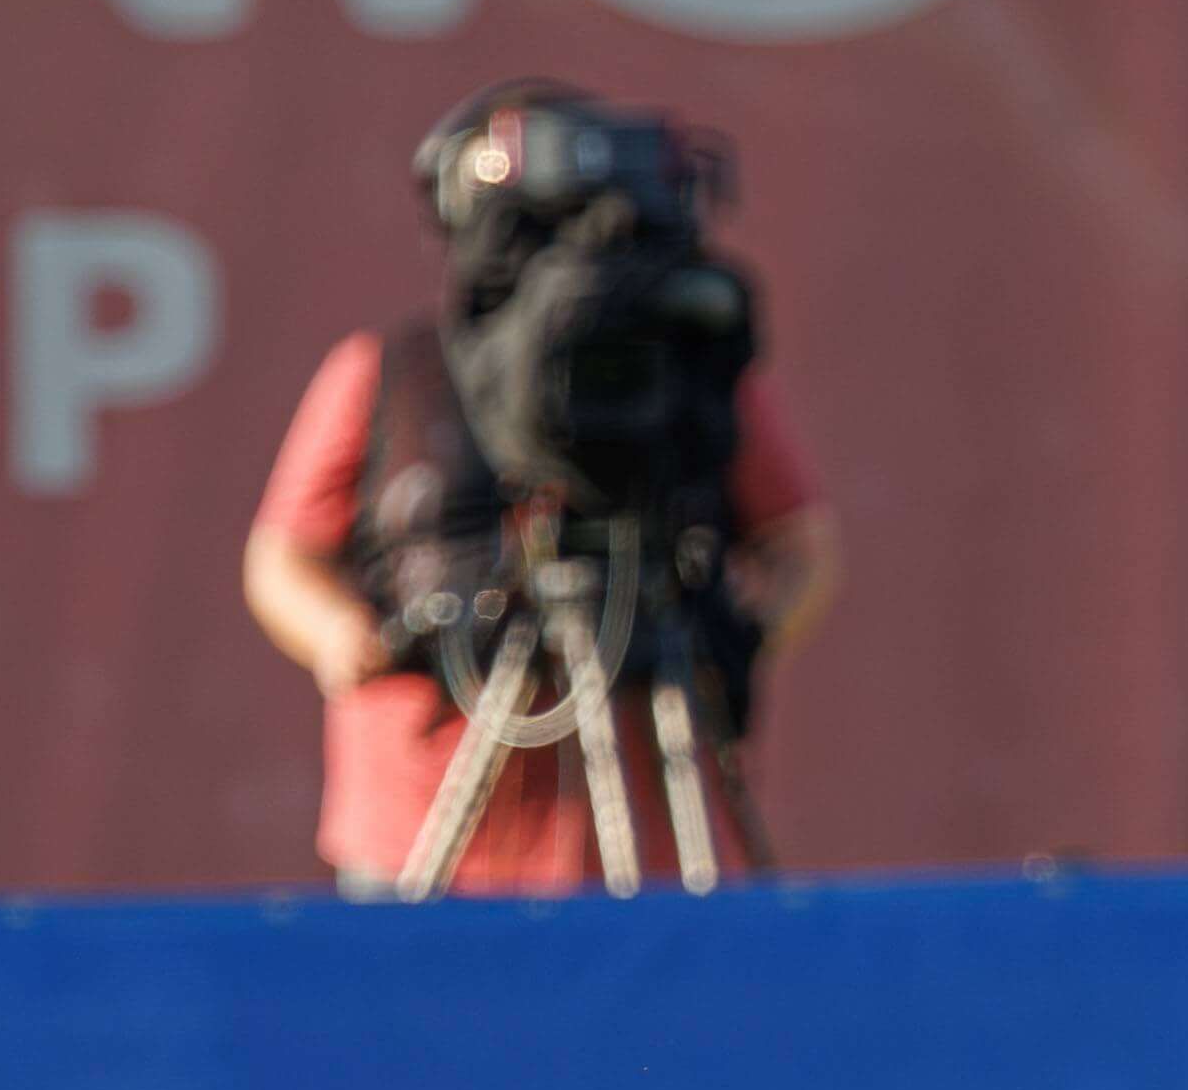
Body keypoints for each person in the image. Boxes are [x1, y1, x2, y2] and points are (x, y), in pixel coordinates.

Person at [244, 85, 837, 895]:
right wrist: (341, 636)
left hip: (658, 837)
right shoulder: (390, 372)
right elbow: (282, 556)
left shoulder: (695, 379)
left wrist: (734, 634)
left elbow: (801, 544)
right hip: (423, 829)